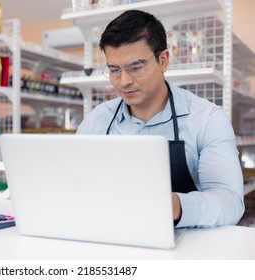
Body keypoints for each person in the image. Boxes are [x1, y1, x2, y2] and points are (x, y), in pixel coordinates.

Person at [76, 9, 245, 228]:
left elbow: (230, 202)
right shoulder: (96, 121)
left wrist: (175, 205)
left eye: (135, 67)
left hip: (186, 248)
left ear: (163, 60)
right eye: (114, 70)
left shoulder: (206, 119)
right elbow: (74, 183)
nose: (124, 81)